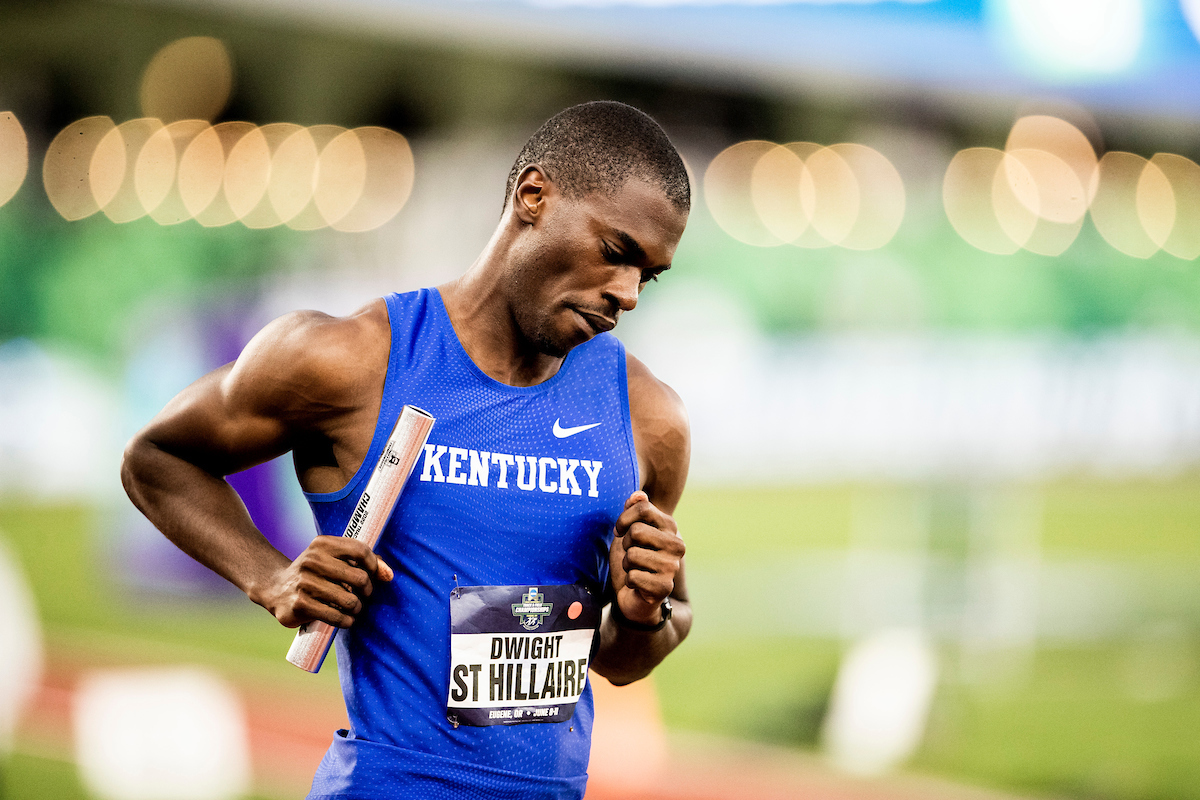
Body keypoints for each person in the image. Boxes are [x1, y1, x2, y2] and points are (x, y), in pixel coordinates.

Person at [121, 100, 692, 800]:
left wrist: (643, 613)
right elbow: (156, 459)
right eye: (616, 252)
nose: (629, 294)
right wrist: (269, 577)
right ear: (534, 196)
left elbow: (631, 656)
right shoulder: (350, 361)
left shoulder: (648, 418)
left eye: (650, 274)